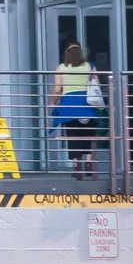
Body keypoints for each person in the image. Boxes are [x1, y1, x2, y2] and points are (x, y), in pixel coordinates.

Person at [48, 43, 101, 178]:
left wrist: (52, 102)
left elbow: (58, 89)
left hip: (69, 105)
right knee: (88, 134)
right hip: (87, 104)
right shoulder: (90, 66)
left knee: (72, 136)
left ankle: (76, 165)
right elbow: (97, 85)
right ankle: (88, 161)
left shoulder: (60, 68)